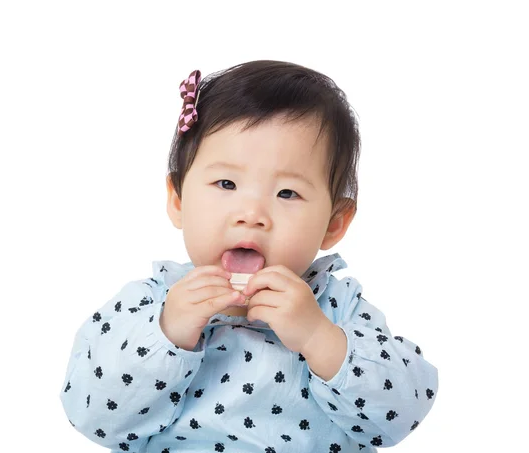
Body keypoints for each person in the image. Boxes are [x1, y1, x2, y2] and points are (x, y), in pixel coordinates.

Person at [60, 60, 439, 452]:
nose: (252, 215)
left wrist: (317, 336)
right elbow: (91, 415)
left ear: (333, 223)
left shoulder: (338, 311)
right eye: (226, 183)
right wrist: (166, 334)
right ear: (177, 200)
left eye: (287, 194)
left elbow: (400, 415)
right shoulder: (150, 305)